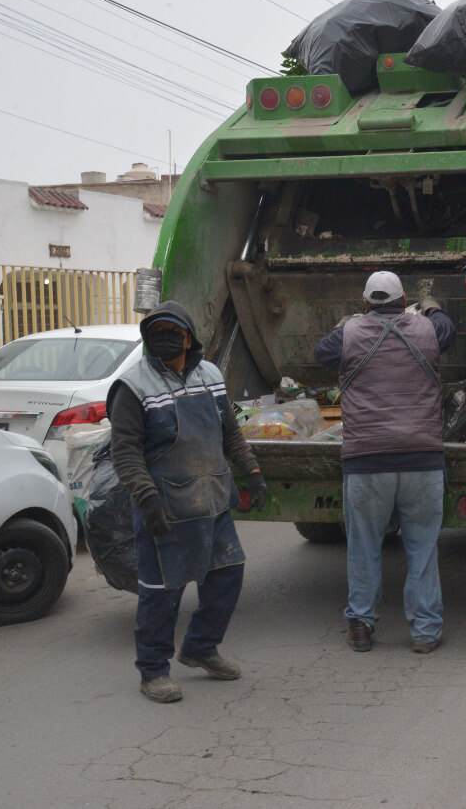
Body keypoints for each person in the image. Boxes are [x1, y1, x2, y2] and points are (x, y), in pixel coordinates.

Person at [108, 301, 267, 704]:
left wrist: (252, 472)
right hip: (163, 510)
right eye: (154, 331)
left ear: (189, 336)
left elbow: (229, 432)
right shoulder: (132, 387)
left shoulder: (210, 375)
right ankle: (153, 672)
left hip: (213, 501)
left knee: (228, 576)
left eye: (171, 331)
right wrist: (147, 500)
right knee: (162, 592)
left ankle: (200, 648)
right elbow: (125, 452)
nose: (162, 338)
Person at [314, 271, 456, 654]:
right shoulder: (428, 329)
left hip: (367, 463)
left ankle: (360, 625)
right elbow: (447, 326)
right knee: (423, 549)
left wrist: (348, 322)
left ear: (365, 303)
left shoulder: (349, 334)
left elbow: (320, 352)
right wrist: (431, 305)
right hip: (422, 463)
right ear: (403, 299)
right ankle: (425, 633)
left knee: (364, 548)